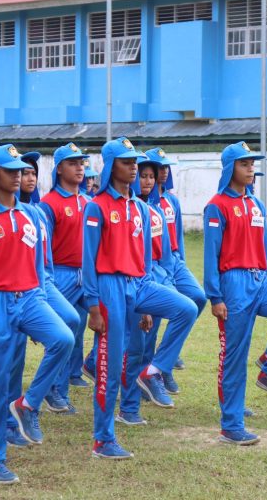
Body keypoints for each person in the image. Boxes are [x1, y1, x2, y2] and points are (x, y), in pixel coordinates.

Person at [0, 144, 73, 484]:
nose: (18, 175)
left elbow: (40, 264)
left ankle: (28, 404)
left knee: (64, 338)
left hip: (31, 297)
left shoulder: (31, 214)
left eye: (22, 170)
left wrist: (39, 297)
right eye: (11, 170)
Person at [82, 137, 198, 458]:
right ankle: (103, 439)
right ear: (110, 166)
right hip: (108, 287)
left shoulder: (143, 209)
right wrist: (93, 305)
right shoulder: (96, 207)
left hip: (139, 284)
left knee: (186, 307)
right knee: (111, 360)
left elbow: (146, 259)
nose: (134, 167)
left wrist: (146, 303)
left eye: (135, 161)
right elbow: (88, 260)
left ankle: (155, 369)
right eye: (126, 161)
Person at [203, 141, 267, 446]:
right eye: (245, 164)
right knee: (234, 356)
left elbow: (264, 247)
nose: (251, 169)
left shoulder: (255, 204)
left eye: (252, 164)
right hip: (233, 284)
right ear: (230, 168)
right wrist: (215, 296)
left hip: (261, 279)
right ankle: (231, 426)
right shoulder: (217, 205)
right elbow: (211, 254)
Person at [117, 155, 199, 425]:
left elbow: (164, 255)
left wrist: (165, 286)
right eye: (144, 175)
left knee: (149, 341)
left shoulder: (153, 211)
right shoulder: (123, 210)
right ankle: (127, 408)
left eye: (152, 176)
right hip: (131, 284)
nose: (148, 180)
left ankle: (154, 376)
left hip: (152, 280)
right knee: (135, 346)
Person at [145, 148, 208, 375]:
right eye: (157, 168)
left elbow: (178, 235)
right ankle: (155, 368)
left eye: (165, 167)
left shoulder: (171, 200)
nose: (163, 172)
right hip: (153, 263)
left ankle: (167, 352)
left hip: (173, 260)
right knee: (154, 314)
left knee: (198, 298)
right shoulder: (146, 203)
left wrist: (179, 260)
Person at [38, 143, 89, 410]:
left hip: (86, 275)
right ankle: (53, 389)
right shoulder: (49, 204)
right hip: (60, 274)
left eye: (82, 162)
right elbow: (44, 246)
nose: (80, 167)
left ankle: (70, 378)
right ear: (59, 169)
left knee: (78, 331)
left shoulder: (87, 202)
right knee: (61, 332)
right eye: (73, 163)